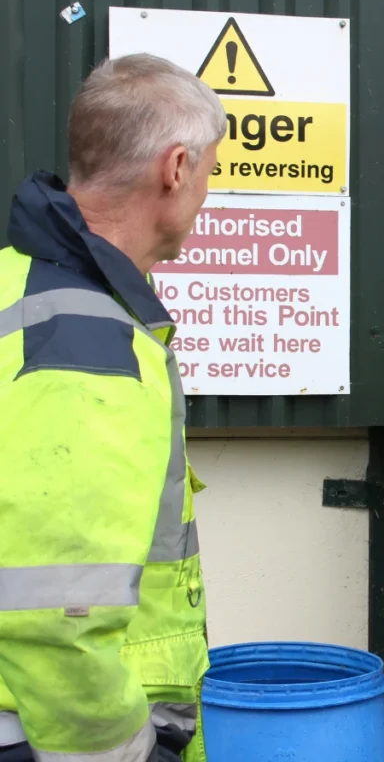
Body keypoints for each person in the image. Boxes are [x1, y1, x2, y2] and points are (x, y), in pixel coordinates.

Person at [0, 53, 225, 762]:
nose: (208, 192)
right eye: (211, 170)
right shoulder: (87, 342)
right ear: (177, 167)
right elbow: (54, 612)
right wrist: (122, 749)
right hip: (49, 738)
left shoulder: (18, 280)